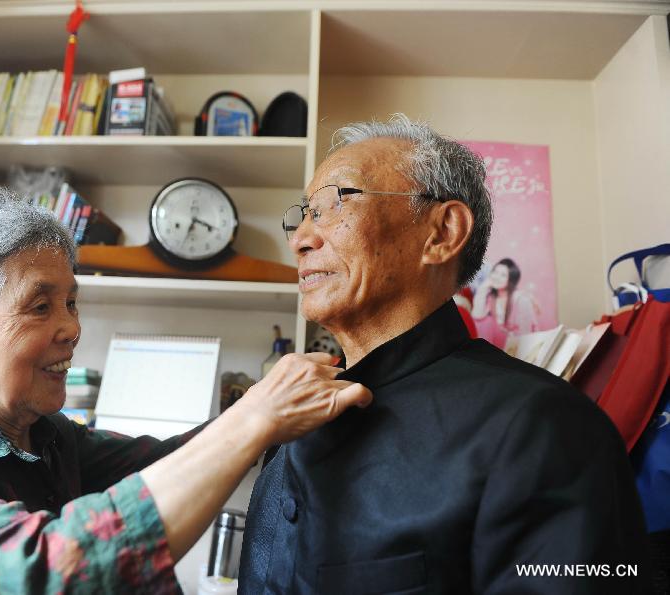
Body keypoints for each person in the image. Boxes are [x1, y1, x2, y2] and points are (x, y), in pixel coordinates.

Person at [0, 192, 371, 593]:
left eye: (71, 302)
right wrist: (254, 416)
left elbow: (168, 461)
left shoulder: (50, 439)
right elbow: (36, 574)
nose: (71, 328)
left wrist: (271, 408)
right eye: (40, 306)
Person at [241, 115, 648, 594]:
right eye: (305, 213)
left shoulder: (546, 427)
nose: (300, 240)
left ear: (441, 232)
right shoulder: (289, 415)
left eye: (336, 202)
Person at [472, 257, 539, 348]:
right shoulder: (491, 297)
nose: (496, 277)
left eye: (503, 275)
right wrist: (484, 287)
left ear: (511, 280)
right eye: (495, 272)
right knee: (485, 322)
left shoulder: (521, 300)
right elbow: (477, 317)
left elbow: (525, 335)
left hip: (521, 348)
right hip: (501, 346)